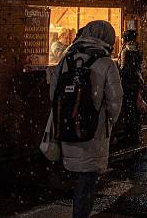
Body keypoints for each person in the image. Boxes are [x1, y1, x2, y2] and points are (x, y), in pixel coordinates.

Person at [49, 21, 122, 218]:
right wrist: (111, 121)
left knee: (80, 175)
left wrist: (68, 111)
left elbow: (54, 92)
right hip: (94, 129)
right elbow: (115, 99)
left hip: (68, 125)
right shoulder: (106, 63)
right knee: (87, 178)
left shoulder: (67, 58)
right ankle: (79, 214)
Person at [118, 29, 144, 147]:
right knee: (134, 109)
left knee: (128, 110)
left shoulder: (125, 50)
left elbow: (123, 67)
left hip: (127, 83)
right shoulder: (138, 49)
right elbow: (140, 66)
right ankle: (135, 134)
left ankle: (129, 135)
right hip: (136, 82)